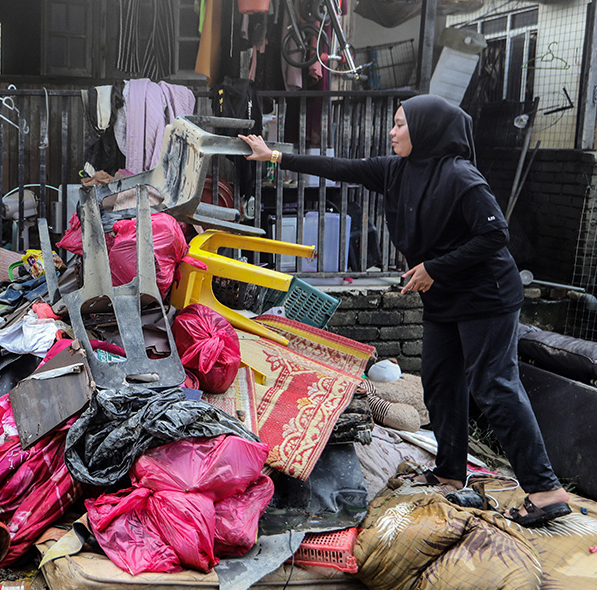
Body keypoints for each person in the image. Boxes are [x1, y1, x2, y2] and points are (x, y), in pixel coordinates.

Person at [239, 94, 571, 527]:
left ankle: (545, 489)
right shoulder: (397, 170)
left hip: (486, 296)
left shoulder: (461, 178)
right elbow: (341, 168)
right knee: (439, 383)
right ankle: (451, 475)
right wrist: (274, 155)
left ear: (427, 129)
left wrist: (435, 267)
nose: (392, 132)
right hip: (445, 297)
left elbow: (495, 236)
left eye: (400, 124)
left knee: (493, 385)